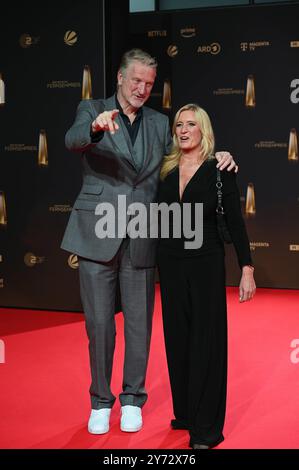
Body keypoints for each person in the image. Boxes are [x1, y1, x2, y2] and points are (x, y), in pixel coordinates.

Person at [61, 49, 237, 435]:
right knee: (99, 325)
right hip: (97, 234)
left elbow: (185, 156)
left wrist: (218, 155)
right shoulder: (92, 108)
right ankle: (100, 400)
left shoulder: (160, 123)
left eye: (149, 83)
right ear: (120, 78)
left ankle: (132, 399)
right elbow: (73, 140)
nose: (142, 89)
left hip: (144, 233)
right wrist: (95, 128)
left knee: (139, 324)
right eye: (136, 80)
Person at [157, 103, 256, 449]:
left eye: (191, 125)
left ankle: (207, 429)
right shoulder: (165, 170)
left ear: (203, 130)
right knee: (178, 339)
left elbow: (235, 221)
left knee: (206, 342)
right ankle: (185, 411)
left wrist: (247, 268)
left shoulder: (219, 169)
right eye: (179, 125)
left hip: (205, 262)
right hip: (169, 265)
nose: (183, 130)